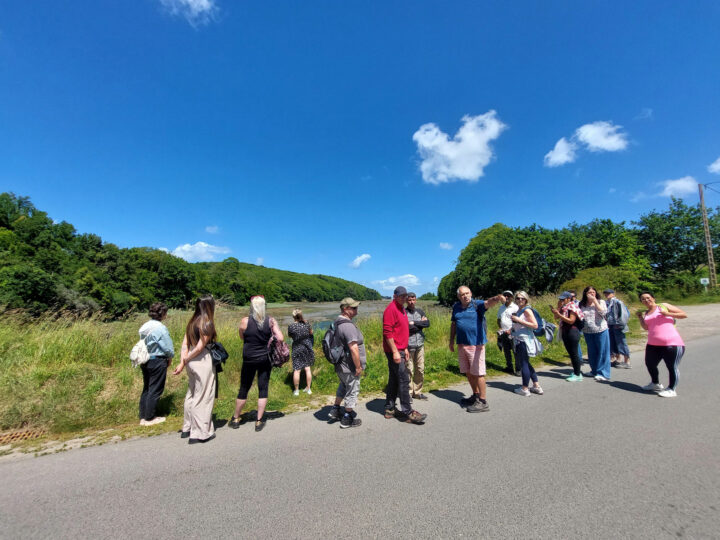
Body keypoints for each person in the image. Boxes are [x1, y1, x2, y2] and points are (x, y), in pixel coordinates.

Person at [230, 295, 284, 432]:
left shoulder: (244, 321)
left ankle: (236, 418)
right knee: (263, 388)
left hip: (248, 358)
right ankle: (259, 421)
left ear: (252, 307)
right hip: (264, 358)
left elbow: (242, 337)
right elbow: (281, 338)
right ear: (264, 307)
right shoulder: (270, 321)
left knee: (244, 387)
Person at [449, 286, 506, 412]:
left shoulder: (477, 305)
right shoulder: (456, 307)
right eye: (462, 294)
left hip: (476, 345)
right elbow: (454, 324)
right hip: (462, 344)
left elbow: (488, 303)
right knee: (468, 372)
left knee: (478, 373)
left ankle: (483, 401)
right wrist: (451, 341)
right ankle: (475, 395)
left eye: (467, 293)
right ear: (459, 296)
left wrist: (497, 298)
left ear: (471, 293)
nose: (465, 296)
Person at [173, 295, 217, 444]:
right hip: (201, 360)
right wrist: (186, 359)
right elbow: (200, 347)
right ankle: (200, 432)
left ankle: (187, 427)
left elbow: (185, 344)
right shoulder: (206, 323)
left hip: (191, 363)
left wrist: (183, 362)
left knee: (191, 393)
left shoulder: (192, 322)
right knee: (204, 395)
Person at [382, 286, 427, 424]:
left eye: (405, 296)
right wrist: (396, 351)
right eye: (401, 296)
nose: (404, 298)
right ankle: (408, 412)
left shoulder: (401, 308)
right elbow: (387, 332)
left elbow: (402, 330)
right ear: (394, 296)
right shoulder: (391, 309)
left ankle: (390, 409)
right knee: (404, 380)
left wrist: (405, 348)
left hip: (401, 349)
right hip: (394, 351)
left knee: (394, 380)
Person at [637, 292, 687, 397]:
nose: (646, 300)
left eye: (648, 298)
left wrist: (668, 314)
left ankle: (672, 389)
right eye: (643, 299)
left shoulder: (663, 306)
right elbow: (646, 327)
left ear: (653, 298)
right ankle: (655, 384)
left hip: (672, 343)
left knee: (672, 366)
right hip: (653, 344)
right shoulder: (647, 312)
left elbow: (683, 314)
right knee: (650, 364)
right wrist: (640, 318)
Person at [327, 298, 366, 428]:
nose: (356, 310)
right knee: (352, 389)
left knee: (343, 386)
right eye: (353, 308)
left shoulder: (337, 322)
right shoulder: (347, 326)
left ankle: (335, 409)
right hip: (349, 366)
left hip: (340, 364)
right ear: (345, 309)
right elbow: (353, 348)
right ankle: (347, 418)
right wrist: (358, 366)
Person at [138, 302, 174, 426]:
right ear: (162, 313)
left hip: (145, 359)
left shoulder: (144, 326)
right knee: (155, 388)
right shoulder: (160, 328)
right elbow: (167, 346)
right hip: (158, 359)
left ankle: (143, 416)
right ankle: (150, 417)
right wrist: (170, 357)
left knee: (147, 388)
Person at [510, 291, 544, 396]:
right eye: (518, 298)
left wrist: (518, 320)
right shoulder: (520, 310)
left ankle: (524, 388)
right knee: (526, 363)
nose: (520, 300)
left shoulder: (527, 310)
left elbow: (535, 325)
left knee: (523, 363)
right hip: (520, 338)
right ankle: (536, 385)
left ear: (526, 299)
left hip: (524, 340)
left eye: (522, 298)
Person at [579, 286, 611, 382]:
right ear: (585, 294)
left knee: (603, 351)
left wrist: (595, 301)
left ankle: (603, 373)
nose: (592, 294)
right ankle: (594, 370)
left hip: (601, 330)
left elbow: (604, 313)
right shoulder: (582, 304)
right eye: (589, 292)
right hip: (587, 331)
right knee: (592, 352)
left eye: (593, 292)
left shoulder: (601, 302)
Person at [551, 291, 585, 381]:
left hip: (572, 331)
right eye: (560, 299)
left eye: (563, 299)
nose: (561, 300)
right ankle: (575, 372)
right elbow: (556, 318)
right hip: (565, 331)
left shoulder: (572, 307)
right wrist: (557, 309)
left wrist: (559, 314)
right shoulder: (564, 307)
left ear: (568, 299)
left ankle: (578, 374)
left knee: (574, 353)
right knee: (571, 353)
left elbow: (571, 320)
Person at [406, 292, 430, 400]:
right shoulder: (403, 312)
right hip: (408, 345)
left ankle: (418, 392)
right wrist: (420, 324)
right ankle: (409, 393)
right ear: (407, 301)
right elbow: (406, 328)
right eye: (409, 300)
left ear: (416, 300)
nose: (411, 302)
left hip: (420, 344)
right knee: (409, 370)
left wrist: (413, 323)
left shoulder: (420, 311)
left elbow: (427, 323)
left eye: (413, 299)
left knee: (420, 369)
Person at [288, 309, 314, 396]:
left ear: (293, 316)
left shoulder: (291, 326)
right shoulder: (306, 323)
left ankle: (296, 390)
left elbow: (290, 336)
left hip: (297, 348)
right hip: (307, 347)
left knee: (297, 370)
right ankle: (308, 388)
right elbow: (311, 333)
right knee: (307, 368)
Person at [603, 289, 631, 369]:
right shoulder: (606, 303)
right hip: (609, 325)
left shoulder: (618, 302)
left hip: (617, 325)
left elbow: (625, 314)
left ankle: (627, 361)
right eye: (605, 293)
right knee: (613, 342)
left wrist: (620, 324)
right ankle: (618, 359)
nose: (607, 295)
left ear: (613, 294)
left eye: (609, 293)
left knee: (621, 342)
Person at [496, 290, 519, 375]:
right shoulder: (501, 308)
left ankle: (518, 369)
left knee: (515, 351)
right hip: (504, 333)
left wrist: (511, 329)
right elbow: (498, 319)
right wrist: (500, 328)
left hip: (513, 332)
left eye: (508, 296)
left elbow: (517, 321)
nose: (506, 297)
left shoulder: (515, 307)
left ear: (512, 297)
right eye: (505, 295)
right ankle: (509, 367)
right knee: (506, 351)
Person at [570, 291, 584, 362]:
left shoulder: (579, 303)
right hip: (570, 325)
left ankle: (579, 359)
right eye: (570, 296)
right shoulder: (567, 304)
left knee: (576, 343)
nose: (571, 298)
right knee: (574, 343)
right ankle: (577, 359)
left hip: (578, 325)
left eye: (573, 296)